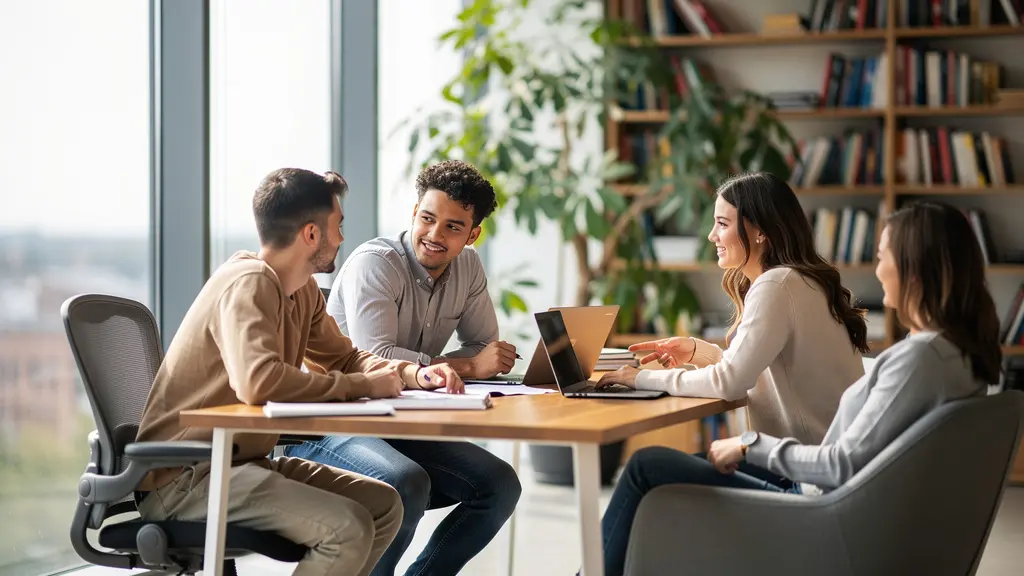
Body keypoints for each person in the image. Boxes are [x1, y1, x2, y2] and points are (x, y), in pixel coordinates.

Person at [598, 200, 1003, 576]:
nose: (877, 269)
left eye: (883, 257)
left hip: (821, 515)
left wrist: (749, 444)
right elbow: (759, 370)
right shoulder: (955, 356)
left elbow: (839, 463)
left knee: (646, 467)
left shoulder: (917, 360)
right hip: (852, 510)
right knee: (683, 466)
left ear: (914, 272)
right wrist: (703, 354)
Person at [134, 168, 464, 576]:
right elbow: (259, 382)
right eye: (337, 226)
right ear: (311, 234)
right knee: (347, 529)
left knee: (383, 506)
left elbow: (345, 358)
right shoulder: (248, 282)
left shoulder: (302, 289)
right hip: (186, 478)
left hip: (241, 465)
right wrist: (360, 385)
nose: (341, 238)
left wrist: (412, 373)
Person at [284, 159, 522, 576]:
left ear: (472, 235)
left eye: (452, 226)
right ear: (414, 212)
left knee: (499, 484)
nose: (434, 234)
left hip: (398, 424)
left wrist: (468, 362)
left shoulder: (468, 268)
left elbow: (483, 344)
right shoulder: (376, 264)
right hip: (329, 425)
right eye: (427, 218)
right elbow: (377, 357)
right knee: (405, 483)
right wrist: (466, 364)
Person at [598, 172, 869, 463]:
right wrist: (697, 352)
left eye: (722, 224)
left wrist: (641, 378)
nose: (711, 236)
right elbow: (748, 371)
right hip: (814, 462)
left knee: (645, 465)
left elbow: (730, 382)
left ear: (760, 231)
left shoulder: (777, 285)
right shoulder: (803, 282)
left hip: (801, 470)